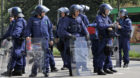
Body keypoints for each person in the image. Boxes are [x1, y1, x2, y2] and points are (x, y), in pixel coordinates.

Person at [58, 4, 89, 76]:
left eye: (79, 11)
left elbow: (83, 28)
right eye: (77, 11)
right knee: (71, 56)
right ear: (73, 11)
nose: (78, 13)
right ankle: (72, 70)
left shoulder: (79, 19)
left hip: (78, 40)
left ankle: (76, 69)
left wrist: (87, 34)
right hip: (70, 40)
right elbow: (62, 31)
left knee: (78, 56)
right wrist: (70, 35)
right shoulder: (66, 20)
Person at [25, 5, 53, 77]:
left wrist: (51, 39)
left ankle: (46, 71)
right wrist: (27, 35)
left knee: (46, 56)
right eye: (43, 12)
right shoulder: (32, 19)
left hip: (45, 40)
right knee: (37, 57)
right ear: (39, 13)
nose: (44, 13)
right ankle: (34, 72)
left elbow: (50, 29)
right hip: (36, 41)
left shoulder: (46, 18)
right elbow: (28, 29)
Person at [0, 7, 27, 76]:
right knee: (19, 55)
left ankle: (10, 71)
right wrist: (3, 37)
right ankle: (18, 71)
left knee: (15, 55)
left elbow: (17, 31)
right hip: (17, 41)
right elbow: (9, 32)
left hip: (19, 41)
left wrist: (12, 36)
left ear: (15, 14)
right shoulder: (15, 21)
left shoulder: (19, 21)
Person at [96, 3, 119, 75]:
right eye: (107, 10)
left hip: (108, 38)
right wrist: (109, 25)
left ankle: (107, 67)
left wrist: (115, 31)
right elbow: (101, 26)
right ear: (103, 10)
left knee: (108, 53)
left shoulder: (107, 18)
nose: (108, 11)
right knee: (102, 54)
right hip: (103, 39)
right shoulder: (99, 17)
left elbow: (111, 26)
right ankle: (100, 69)